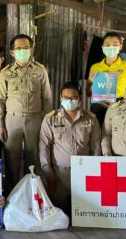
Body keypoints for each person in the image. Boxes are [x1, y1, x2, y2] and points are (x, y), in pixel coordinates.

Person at [0, 34, 52, 196]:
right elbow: (0, 100)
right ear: (12, 52)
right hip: (12, 120)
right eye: (18, 48)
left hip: (35, 119)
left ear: (32, 50)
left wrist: (48, 124)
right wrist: (0, 126)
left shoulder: (40, 70)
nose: (22, 51)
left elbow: (47, 98)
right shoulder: (6, 73)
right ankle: (12, 196)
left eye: (25, 48)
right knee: (11, 159)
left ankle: (33, 196)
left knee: (33, 159)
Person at [40, 81, 101, 211]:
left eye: (73, 97)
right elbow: (44, 147)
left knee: (83, 213)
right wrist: (49, 173)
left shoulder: (91, 119)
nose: (69, 100)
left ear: (80, 98)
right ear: (60, 98)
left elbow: (96, 147)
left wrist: (95, 172)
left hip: (84, 175)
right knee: (59, 214)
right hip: (59, 175)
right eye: (65, 98)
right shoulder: (50, 119)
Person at [88, 32, 126, 126]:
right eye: (107, 45)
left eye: (115, 45)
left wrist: (125, 102)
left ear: (121, 46)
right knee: (96, 133)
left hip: (119, 105)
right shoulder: (95, 67)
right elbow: (87, 92)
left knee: (117, 134)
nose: (111, 48)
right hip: (99, 105)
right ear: (102, 47)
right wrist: (92, 86)